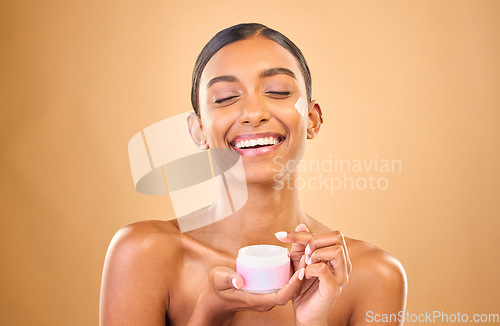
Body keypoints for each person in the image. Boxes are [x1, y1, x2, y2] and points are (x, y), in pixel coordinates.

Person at [99, 23, 407, 326]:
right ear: (200, 130)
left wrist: (314, 322)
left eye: (278, 91)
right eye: (224, 98)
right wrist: (207, 314)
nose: (253, 113)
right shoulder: (143, 255)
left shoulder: (373, 275)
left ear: (312, 120)